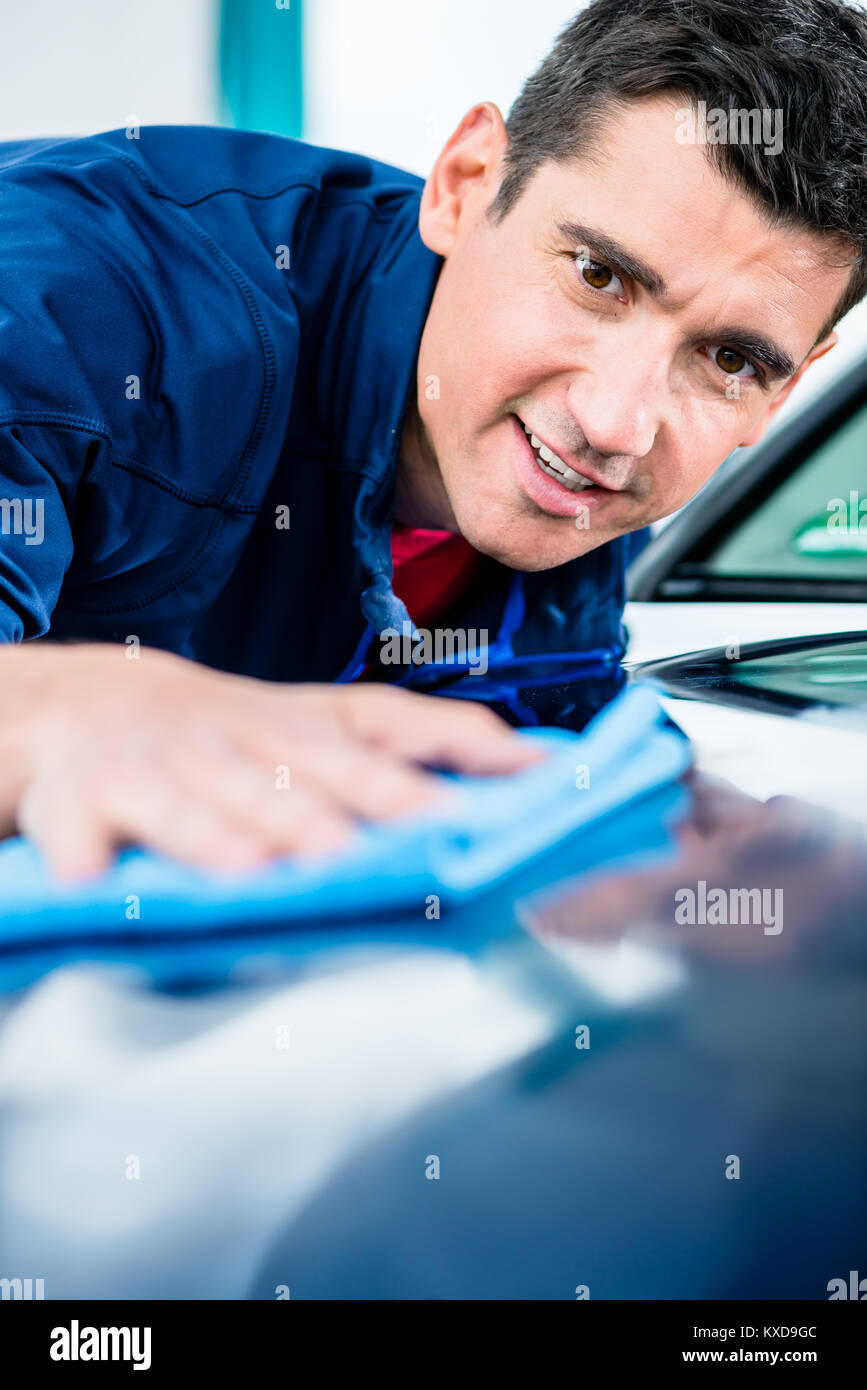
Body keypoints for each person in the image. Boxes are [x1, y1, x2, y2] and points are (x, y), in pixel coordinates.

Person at [0, 0, 865, 879]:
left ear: (783, 390)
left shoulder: (565, 475)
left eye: (727, 358)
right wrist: (58, 706)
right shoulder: (90, 300)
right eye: (598, 276)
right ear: (465, 182)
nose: (616, 425)